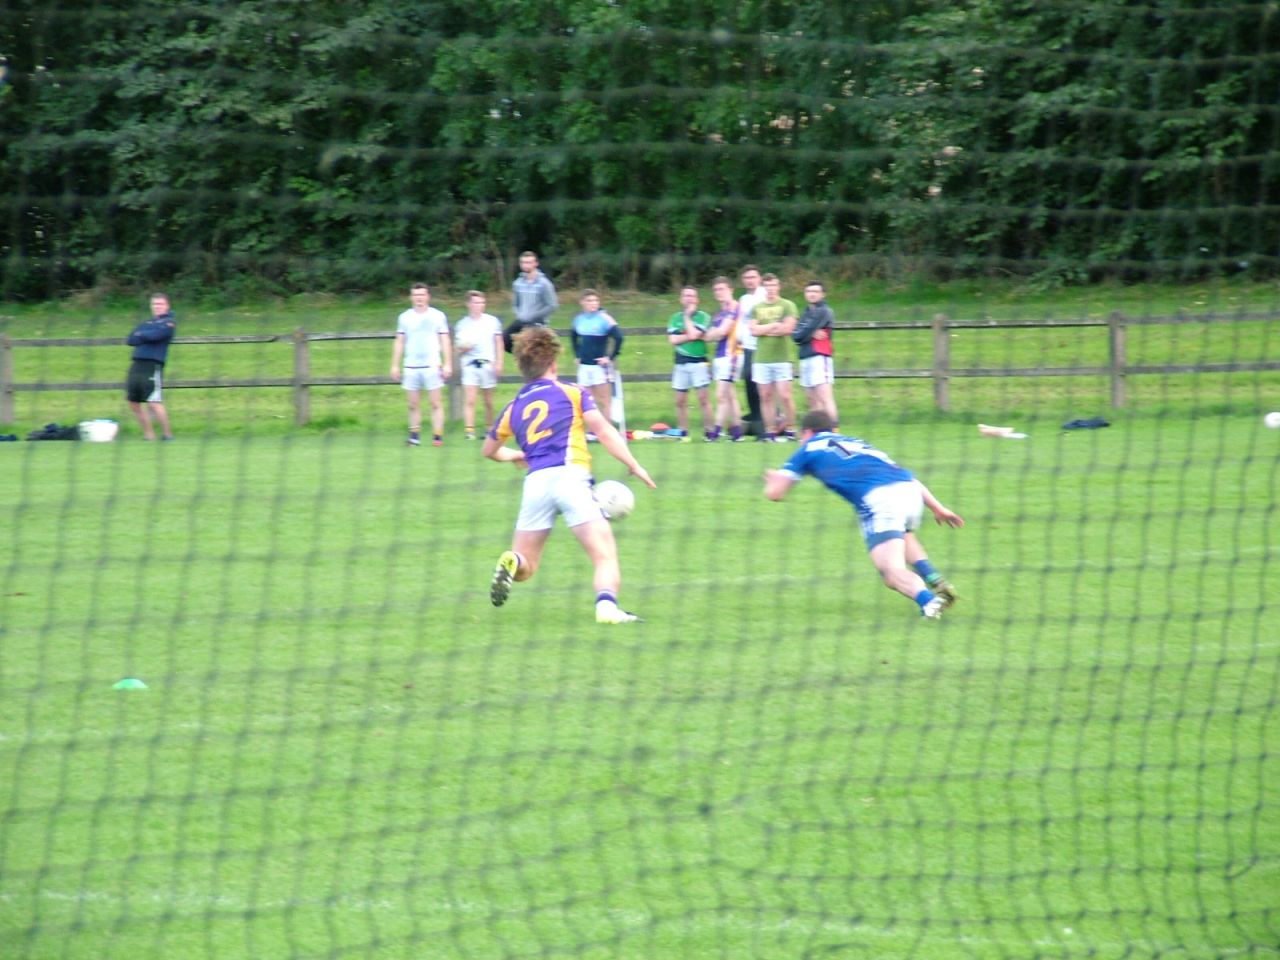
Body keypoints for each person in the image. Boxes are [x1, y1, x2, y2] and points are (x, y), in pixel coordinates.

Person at [484, 326, 656, 624]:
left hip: (536, 484)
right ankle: (607, 608)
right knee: (604, 555)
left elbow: (489, 450)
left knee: (528, 565)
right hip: (570, 479)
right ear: (553, 363)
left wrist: (515, 454)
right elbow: (603, 431)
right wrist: (633, 464)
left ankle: (514, 561)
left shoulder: (514, 406)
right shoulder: (573, 393)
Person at [763, 410, 963, 618]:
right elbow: (903, 474)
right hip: (910, 492)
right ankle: (935, 580)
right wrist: (938, 508)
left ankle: (929, 602)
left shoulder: (808, 449)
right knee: (903, 534)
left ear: (807, 433)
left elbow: (775, 494)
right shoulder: (858, 443)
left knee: (890, 572)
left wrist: (772, 480)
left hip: (881, 500)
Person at [390, 282, 453, 446]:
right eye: (416, 295)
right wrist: (395, 365)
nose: (419, 298)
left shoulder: (438, 316)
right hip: (411, 366)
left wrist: (447, 363)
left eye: (422, 295)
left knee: (435, 403)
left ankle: (437, 436)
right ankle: (414, 436)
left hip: (432, 365)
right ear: (412, 297)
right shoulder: (404, 317)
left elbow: (445, 340)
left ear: (428, 297)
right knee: (413, 403)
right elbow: (399, 341)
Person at [746, 273, 799, 441]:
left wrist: (765, 329)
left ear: (778, 286)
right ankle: (770, 431)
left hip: (782, 358)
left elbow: (788, 329)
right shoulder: (757, 308)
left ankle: (790, 428)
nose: (770, 289)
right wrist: (774, 325)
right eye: (767, 286)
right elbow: (753, 330)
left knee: (785, 395)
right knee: (765, 396)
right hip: (761, 359)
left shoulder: (787, 305)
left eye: (773, 285)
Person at [665, 285, 715, 441]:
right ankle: (683, 433)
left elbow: (694, 335)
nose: (689, 298)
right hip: (680, 364)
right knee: (680, 401)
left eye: (692, 296)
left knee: (703, 399)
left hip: (699, 362)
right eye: (686, 296)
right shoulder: (674, 318)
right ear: (681, 299)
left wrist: (687, 320)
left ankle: (709, 432)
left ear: (697, 300)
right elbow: (673, 340)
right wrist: (690, 335)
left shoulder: (703, 317)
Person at [125, 292, 177, 441]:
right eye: (155, 304)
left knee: (154, 401)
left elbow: (157, 336)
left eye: (160, 304)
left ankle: (167, 434)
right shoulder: (146, 323)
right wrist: (145, 335)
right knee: (133, 402)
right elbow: (130, 339)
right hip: (137, 364)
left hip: (152, 364)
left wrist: (142, 335)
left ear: (167, 306)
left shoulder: (169, 323)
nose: (157, 307)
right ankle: (149, 434)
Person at [454, 290, 505, 440]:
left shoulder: (492, 321)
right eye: (475, 303)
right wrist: (464, 348)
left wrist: (499, 362)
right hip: (470, 364)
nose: (478, 306)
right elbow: (457, 348)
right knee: (470, 399)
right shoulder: (462, 324)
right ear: (468, 304)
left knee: (488, 400)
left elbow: (498, 342)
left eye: (481, 302)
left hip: (487, 364)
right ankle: (469, 431)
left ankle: (489, 429)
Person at [570, 288, 624, 427]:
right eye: (589, 301)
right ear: (582, 302)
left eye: (595, 300)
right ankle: (592, 431)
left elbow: (619, 338)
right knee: (586, 400)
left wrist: (610, 358)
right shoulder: (579, 320)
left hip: (600, 367)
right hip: (584, 367)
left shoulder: (604, 319)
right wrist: (577, 355)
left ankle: (608, 429)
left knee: (604, 400)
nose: (593, 303)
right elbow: (573, 338)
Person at [702, 275, 744, 441]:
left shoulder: (735, 307)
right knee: (729, 395)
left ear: (731, 290)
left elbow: (721, 332)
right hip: (719, 355)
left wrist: (716, 333)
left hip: (732, 354)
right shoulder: (719, 313)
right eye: (716, 290)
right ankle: (737, 431)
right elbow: (708, 336)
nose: (719, 292)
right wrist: (715, 333)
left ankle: (716, 431)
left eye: (722, 289)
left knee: (721, 394)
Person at [792, 280, 839, 425]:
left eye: (815, 291)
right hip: (805, 357)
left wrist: (807, 332)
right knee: (812, 399)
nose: (812, 294)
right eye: (808, 291)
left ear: (823, 294)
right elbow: (796, 336)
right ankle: (818, 432)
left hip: (819, 356)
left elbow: (802, 333)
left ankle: (834, 431)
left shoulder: (825, 311)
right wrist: (811, 333)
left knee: (825, 397)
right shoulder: (806, 312)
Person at [504, 250, 558, 353]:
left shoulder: (544, 284)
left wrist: (535, 316)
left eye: (529, 262)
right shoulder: (518, 283)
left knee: (533, 349)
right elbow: (516, 304)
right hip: (521, 320)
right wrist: (520, 314)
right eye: (523, 262)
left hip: (537, 322)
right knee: (504, 339)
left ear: (535, 264)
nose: (526, 265)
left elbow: (552, 305)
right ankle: (521, 356)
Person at [736, 265, 766, 434]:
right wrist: (739, 338)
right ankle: (756, 421)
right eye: (747, 278)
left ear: (759, 278)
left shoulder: (765, 295)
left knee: (763, 386)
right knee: (749, 382)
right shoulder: (743, 299)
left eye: (753, 277)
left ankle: (769, 421)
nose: (750, 280)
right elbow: (740, 322)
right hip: (748, 346)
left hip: (763, 346)